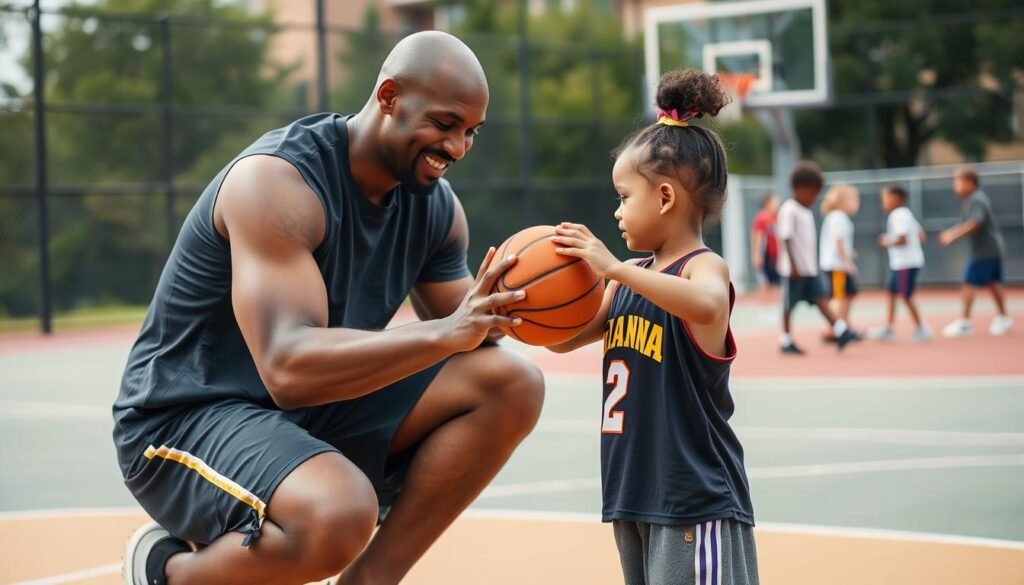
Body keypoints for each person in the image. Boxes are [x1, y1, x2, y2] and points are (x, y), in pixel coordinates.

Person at [114, 31, 545, 585]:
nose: (457, 147)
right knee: (338, 512)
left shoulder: (434, 207)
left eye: (471, 133)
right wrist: (447, 333)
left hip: (307, 412)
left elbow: (479, 327)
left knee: (511, 383)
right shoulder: (277, 184)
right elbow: (288, 367)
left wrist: (597, 292)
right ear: (388, 97)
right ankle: (165, 571)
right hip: (185, 419)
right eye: (443, 124)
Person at [546, 69, 758, 585]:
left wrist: (613, 268)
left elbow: (708, 306)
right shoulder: (630, 283)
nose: (617, 212)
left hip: (693, 500)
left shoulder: (702, 269)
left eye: (623, 196)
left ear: (664, 198)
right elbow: (563, 337)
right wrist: (513, 305)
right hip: (632, 492)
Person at [775, 162, 857, 355]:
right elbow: (786, 237)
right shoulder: (789, 209)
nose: (814, 198)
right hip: (793, 270)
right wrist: (793, 266)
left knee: (821, 299)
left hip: (809, 268)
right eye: (812, 193)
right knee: (789, 305)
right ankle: (785, 340)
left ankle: (840, 330)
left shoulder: (805, 211)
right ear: (799, 189)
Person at [939, 166, 1014, 337]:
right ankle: (1004, 318)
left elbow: (975, 223)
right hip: (991, 249)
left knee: (968, 284)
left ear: (970, 183)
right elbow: (970, 223)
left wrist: (953, 235)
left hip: (984, 251)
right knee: (993, 283)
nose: (955, 186)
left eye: (958, 182)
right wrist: (952, 231)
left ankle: (964, 323)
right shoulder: (973, 200)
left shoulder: (977, 200)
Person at [870, 184, 931, 342]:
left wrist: (886, 241)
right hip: (902, 263)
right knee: (891, 292)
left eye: (885, 197)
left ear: (896, 198)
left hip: (905, 263)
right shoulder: (906, 213)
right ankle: (889, 328)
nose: (883, 201)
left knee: (906, 295)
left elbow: (903, 239)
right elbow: (921, 235)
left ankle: (922, 328)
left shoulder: (898, 215)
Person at [818, 184, 860, 336]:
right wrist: (847, 262)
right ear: (842, 201)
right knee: (838, 296)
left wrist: (850, 253)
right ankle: (832, 328)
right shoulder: (837, 217)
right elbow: (838, 241)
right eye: (853, 200)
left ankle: (844, 324)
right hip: (837, 265)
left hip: (839, 263)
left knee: (848, 294)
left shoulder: (840, 217)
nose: (857, 203)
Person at [750, 192, 780, 302]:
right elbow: (757, 236)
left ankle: (774, 307)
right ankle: (764, 307)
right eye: (775, 201)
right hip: (765, 256)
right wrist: (756, 254)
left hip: (775, 257)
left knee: (776, 284)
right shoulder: (762, 218)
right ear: (768, 203)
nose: (777, 204)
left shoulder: (775, 218)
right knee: (765, 284)